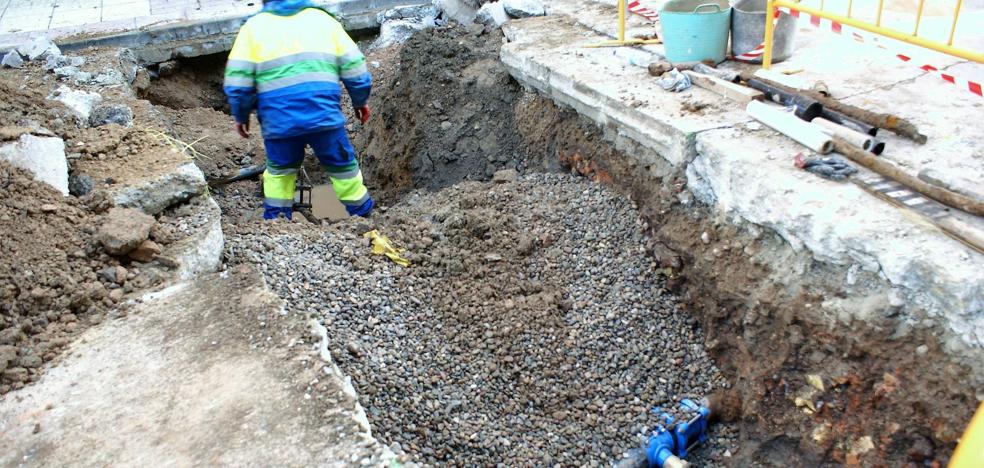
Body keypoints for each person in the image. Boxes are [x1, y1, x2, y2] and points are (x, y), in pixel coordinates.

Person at [224, 0, 374, 220]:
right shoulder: (324, 21)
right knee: (342, 167)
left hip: (278, 121)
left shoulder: (253, 28)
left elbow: (238, 83)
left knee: (280, 172)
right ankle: (363, 216)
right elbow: (355, 68)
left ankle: (276, 222)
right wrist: (360, 101)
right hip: (324, 117)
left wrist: (241, 115)